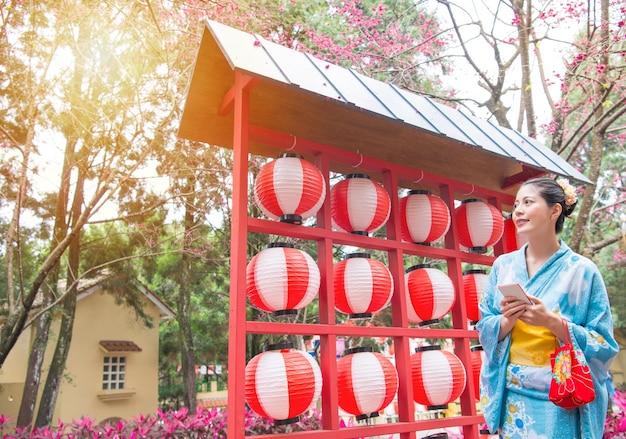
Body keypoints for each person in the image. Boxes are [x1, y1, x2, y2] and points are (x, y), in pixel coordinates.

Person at [476, 177, 619, 438]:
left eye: (528, 202)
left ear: (555, 210)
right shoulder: (503, 266)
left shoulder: (583, 271)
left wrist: (552, 322)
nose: (518, 210)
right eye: (516, 204)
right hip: (514, 398)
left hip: (561, 397)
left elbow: (604, 344)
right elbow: (484, 326)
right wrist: (507, 321)